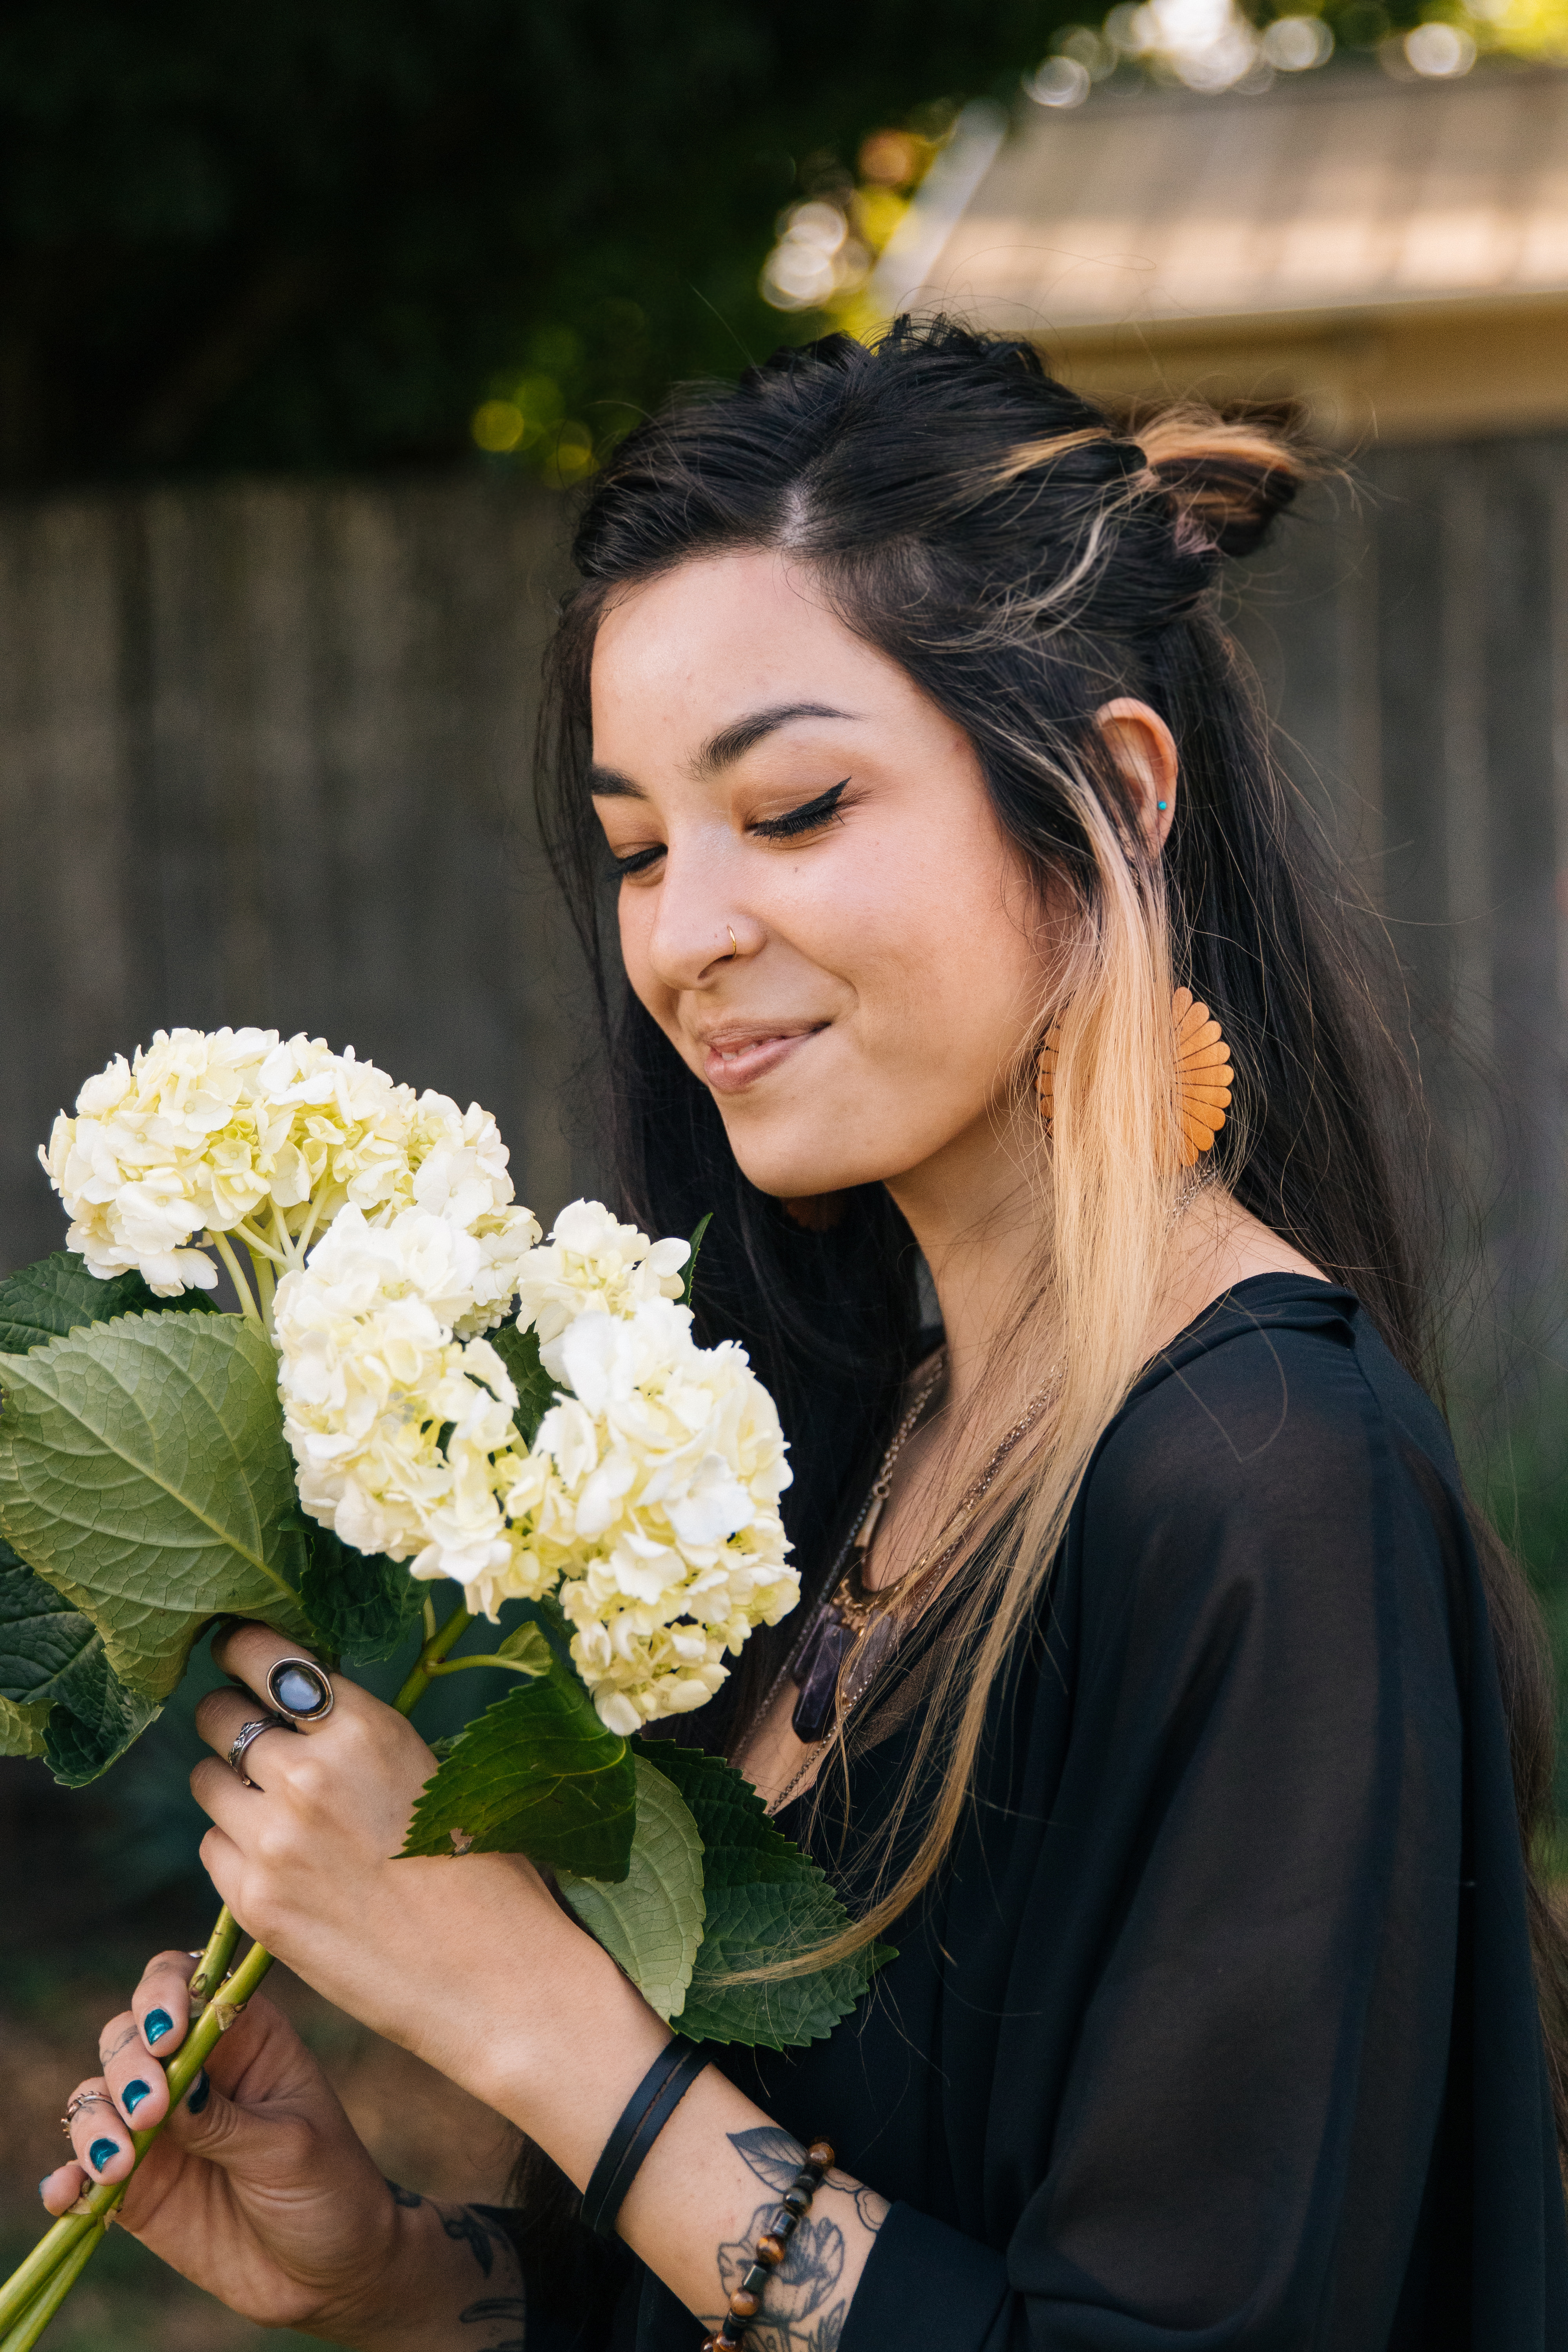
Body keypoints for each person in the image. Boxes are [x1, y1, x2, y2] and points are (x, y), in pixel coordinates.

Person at [40, 320, 1568, 2350]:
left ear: (1108, 793)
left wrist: (531, 2023)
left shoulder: (1269, 1489)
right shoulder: (828, 1433)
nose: (681, 938)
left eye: (795, 806)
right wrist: (409, 2279)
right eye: (643, 846)